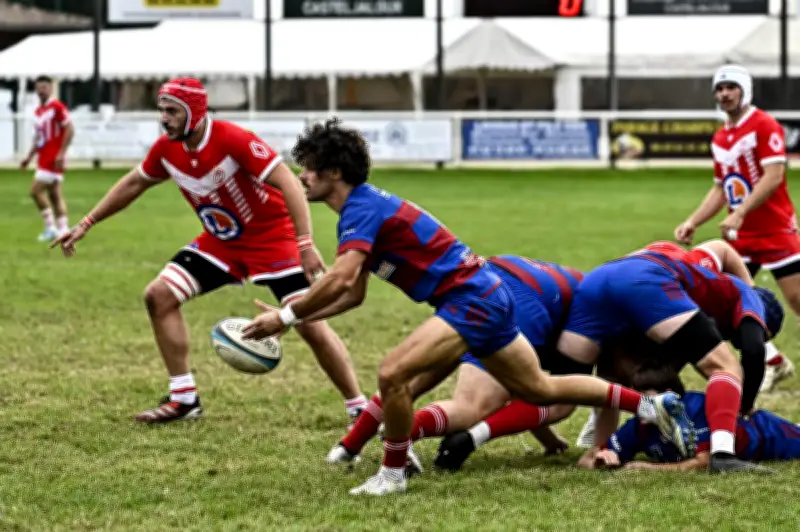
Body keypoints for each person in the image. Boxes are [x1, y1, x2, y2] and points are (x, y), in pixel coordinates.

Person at [241, 118, 696, 496]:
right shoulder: (360, 210)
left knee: (393, 374)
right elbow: (353, 292)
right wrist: (296, 317)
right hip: (485, 295)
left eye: (310, 169)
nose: (302, 177)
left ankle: (393, 473)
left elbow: (339, 279)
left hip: (470, 299)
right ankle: (654, 408)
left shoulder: (361, 209)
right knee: (540, 389)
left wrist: (285, 315)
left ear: (334, 172)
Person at [51, 78, 366, 425]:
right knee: (158, 295)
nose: (164, 118)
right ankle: (184, 399)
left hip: (273, 239)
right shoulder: (166, 150)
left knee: (309, 322)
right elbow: (134, 182)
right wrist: (87, 222)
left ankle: (358, 408)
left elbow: (289, 181)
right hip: (221, 243)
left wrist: (304, 243)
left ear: (195, 112)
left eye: (172, 111)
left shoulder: (233, 139)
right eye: (162, 110)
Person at [325, 255, 584, 470]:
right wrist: (605, 445)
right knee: (557, 402)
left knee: (410, 379)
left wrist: (548, 440)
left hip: (481, 282)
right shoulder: (599, 310)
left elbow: (522, 387)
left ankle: (348, 447)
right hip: (521, 302)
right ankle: (408, 432)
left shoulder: (581, 282)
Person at [556, 247, 778, 473]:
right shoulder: (749, 295)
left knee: (559, 391)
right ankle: (723, 454)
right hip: (645, 280)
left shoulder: (697, 278)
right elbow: (753, 351)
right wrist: (745, 405)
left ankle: (600, 451)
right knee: (725, 366)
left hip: (597, 279)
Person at [674, 64, 796, 390]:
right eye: (720, 88)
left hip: (776, 231)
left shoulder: (763, 124)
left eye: (731, 87)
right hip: (741, 237)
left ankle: (771, 360)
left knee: (797, 300)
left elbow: (774, 176)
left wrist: (740, 211)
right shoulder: (721, 136)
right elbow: (719, 187)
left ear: (745, 89)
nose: (724, 94)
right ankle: (772, 360)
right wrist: (693, 221)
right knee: (725, 304)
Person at [579, 363, 798, 472]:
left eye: (646, 399)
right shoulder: (640, 425)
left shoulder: (696, 409)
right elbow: (586, 459)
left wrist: (647, 468)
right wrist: (600, 459)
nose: (639, 406)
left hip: (773, 435)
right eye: (634, 399)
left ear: (670, 396)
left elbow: (705, 462)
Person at [21, 75, 74, 242]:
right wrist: (29, 157)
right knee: (55, 195)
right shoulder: (38, 111)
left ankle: (51, 227)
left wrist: (61, 152)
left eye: (44, 87)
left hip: (53, 158)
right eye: (38, 87)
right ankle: (63, 229)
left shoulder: (56, 107)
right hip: (43, 157)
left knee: (35, 191)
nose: (41, 90)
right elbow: (38, 138)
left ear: (51, 88)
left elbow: (70, 128)